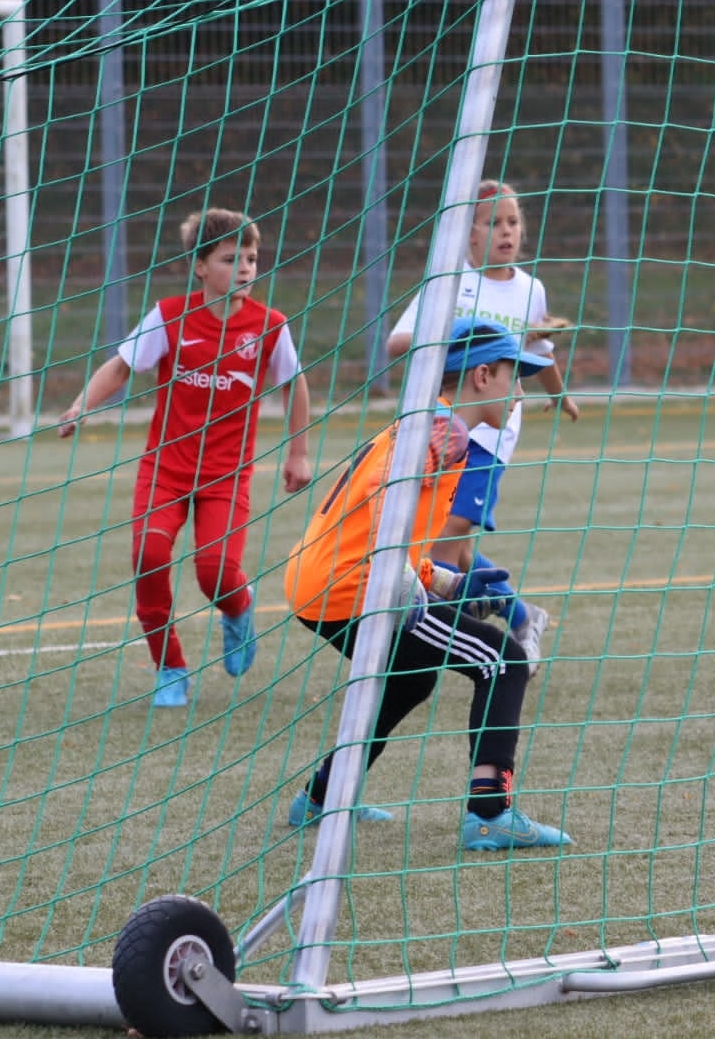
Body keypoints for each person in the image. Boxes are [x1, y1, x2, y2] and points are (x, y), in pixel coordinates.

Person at [282, 318, 573, 849]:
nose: (520, 393)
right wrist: (395, 576)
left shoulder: (429, 423)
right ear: (482, 376)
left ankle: (322, 798)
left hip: (318, 582)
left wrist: (448, 584)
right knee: (503, 661)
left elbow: (401, 531)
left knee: (411, 678)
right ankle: (490, 814)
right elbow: (384, 494)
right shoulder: (447, 432)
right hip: (351, 589)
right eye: (514, 377)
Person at [57, 208, 312, 708]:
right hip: (165, 470)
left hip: (226, 476)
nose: (244, 267)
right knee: (149, 557)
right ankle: (170, 668)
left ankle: (238, 607)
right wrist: (81, 405)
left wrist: (298, 454)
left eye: (251, 258)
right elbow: (122, 366)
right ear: (199, 266)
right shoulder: (170, 316)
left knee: (215, 572)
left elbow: (295, 385)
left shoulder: (269, 326)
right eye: (230, 258)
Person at [386, 180, 576, 665]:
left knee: (450, 532)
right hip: (443, 428)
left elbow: (539, 349)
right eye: (493, 222)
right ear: (467, 232)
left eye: (513, 222)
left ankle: (430, 642)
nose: (506, 231)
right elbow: (396, 344)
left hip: (494, 433)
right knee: (445, 538)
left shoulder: (530, 289)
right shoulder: (448, 282)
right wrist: (455, 336)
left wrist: (560, 396)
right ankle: (521, 617)